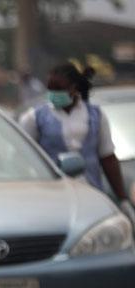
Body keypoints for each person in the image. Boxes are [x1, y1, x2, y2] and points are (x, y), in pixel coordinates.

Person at [19, 63, 128, 204]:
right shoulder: (34, 118)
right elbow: (23, 158)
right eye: (50, 89)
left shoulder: (95, 115)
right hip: (53, 196)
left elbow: (107, 157)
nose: (53, 94)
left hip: (92, 193)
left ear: (74, 88)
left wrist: (122, 198)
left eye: (58, 89)